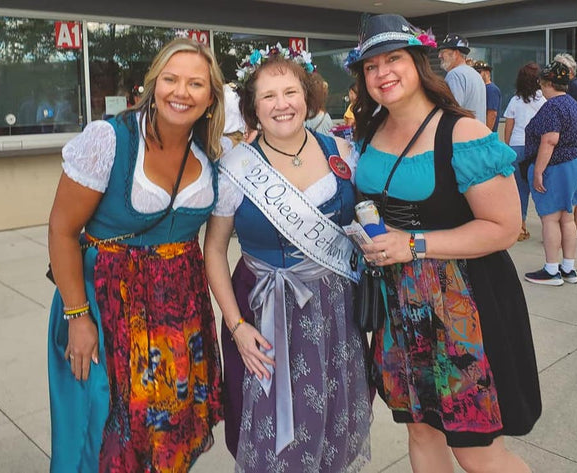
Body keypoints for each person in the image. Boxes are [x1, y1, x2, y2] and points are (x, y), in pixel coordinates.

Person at [348, 13, 541, 473]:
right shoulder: (370, 130)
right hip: (399, 303)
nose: (382, 73)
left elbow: (503, 227)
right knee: (421, 428)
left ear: (419, 62)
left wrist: (412, 244)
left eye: (393, 59)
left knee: (474, 446)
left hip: (463, 305)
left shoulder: (463, 132)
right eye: (371, 66)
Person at [47, 38, 224, 472]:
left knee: (164, 435)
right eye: (171, 79)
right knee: (102, 435)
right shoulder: (110, 140)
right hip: (106, 311)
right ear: (153, 84)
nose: (181, 92)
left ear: (210, 97)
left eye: (195, 84)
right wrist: (78, 317)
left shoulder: (212, 150)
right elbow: (62, 230)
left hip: (178, 317)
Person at [204, 45, 372, 472]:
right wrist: (236, 326)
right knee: (271, 421)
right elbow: (215, 250)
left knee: (331, 407)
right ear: (252, 108)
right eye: (269, 96)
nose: (282, 104)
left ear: (307, 96)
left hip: (335, 309)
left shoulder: (341, 153)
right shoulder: (236, 168)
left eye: (291, 92)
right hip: (263, 309)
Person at [524, 61, 577, 286]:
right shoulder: (571, 103)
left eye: (542, 82)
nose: (540, 86)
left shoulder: (552, 106)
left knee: (550, 218)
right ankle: (568, 268)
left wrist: (538, 172)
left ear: (549, 83)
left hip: (558, 165)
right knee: (567, 217)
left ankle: (551, 270)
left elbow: (550, 140)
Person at [503, 62, 547, 241]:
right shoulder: (543, 100)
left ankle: (521, 227)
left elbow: (509, 126)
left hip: (517, 146)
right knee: (541, 188)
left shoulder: (515, 100)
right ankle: (548, 226)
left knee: (519, 190)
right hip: (536, 148)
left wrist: (508, 147)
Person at [553, 52, 577, 237]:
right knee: (575, 189)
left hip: (571, 147)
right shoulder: (567, 87)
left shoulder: (575, 89)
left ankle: (575, 223)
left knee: (572, 189)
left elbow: (576, 118)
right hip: (571, 147)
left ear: (569, 72)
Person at [438, 33, 486, 124]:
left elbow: (452, 110)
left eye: (443, 52)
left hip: (462, 134)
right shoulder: (475, 75)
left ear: (455, 53)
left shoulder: (455, 75)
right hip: (478, 133)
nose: (439, 56)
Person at [473, 61, 501, 132]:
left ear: (487, 73)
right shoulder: (480, 88)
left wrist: (486, 133)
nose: (476, 74)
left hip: (485, 132)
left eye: (479, 72)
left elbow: (492, 114)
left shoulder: (491, 89)